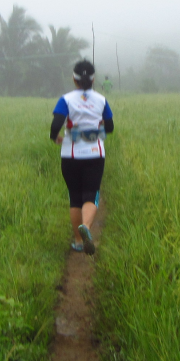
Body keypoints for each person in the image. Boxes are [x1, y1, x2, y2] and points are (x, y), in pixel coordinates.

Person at [50, 60, 114, 255]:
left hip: (70, 155)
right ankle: (86, 226)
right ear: (93, 79)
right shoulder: (102, 100)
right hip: (95, 154)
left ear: (74, 79)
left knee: (75, 197)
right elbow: (109, 128)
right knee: (91, 193)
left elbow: (56, 124)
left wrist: (56, 138)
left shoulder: (66, 100)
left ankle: (78, 241)